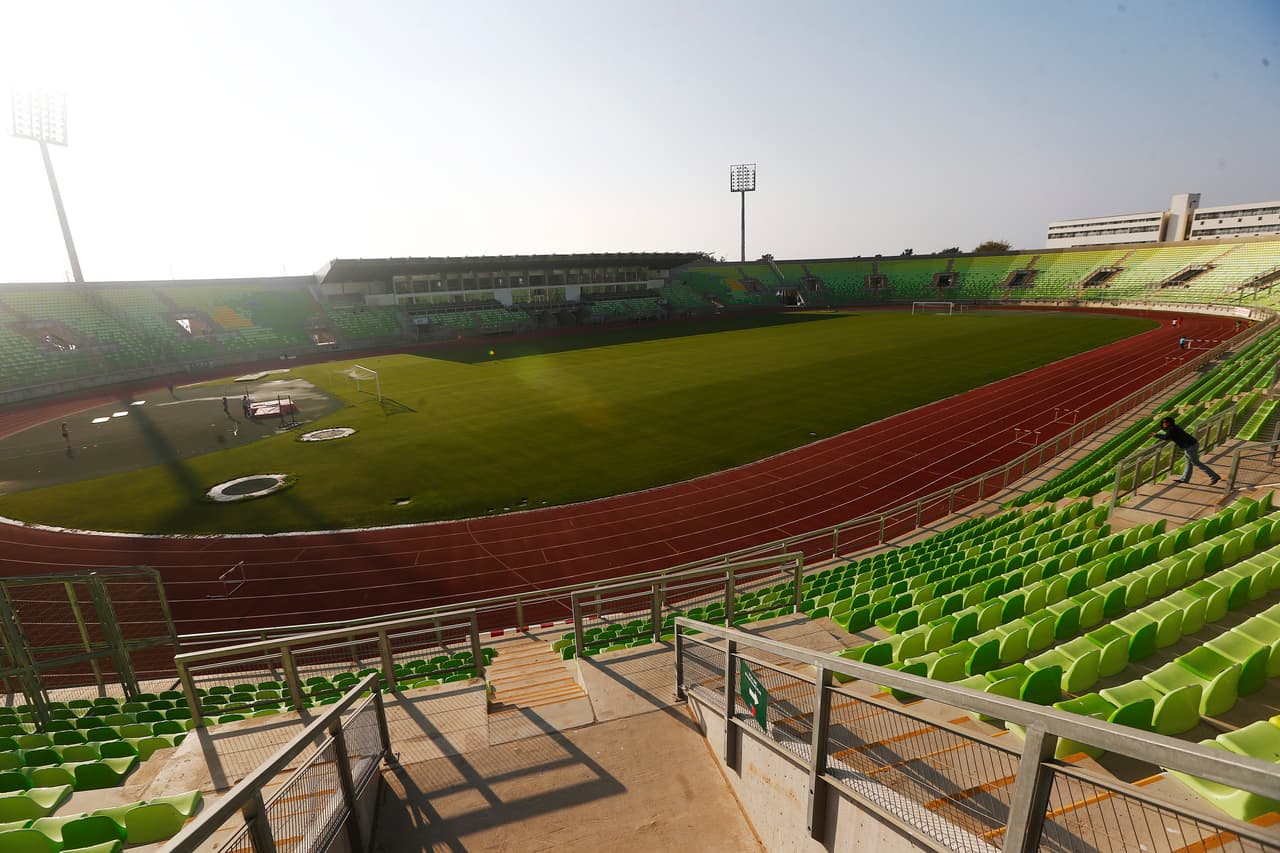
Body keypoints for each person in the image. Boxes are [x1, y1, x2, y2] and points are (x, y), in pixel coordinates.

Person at [1151, 415, 1220, 485]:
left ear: (1169, 422)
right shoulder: (1173, 427)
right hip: (1191, 445)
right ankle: (1185, 479)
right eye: (1163, 422)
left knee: (1196, 463)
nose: (1164, 424)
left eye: (1166, 422)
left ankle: (1214, 476)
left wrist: (1156, 435)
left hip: (1190, 447)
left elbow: (1166, 437)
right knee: (1188, 463)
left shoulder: (1172, 429)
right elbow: (1169, 434)